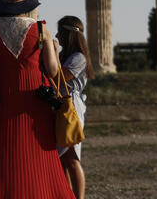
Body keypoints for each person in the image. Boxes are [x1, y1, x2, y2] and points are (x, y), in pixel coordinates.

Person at [0, 0, 75, 199]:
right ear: (27, 3)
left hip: (4, 100)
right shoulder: (40, 29)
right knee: (40, 156)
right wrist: (55, 51)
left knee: (3, 155)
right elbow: (54, 70)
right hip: (36, 101)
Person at [54, 15, 94, 199]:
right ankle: (66, 195)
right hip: (60, 106)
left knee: (71, 158)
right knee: (61, 158)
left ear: (68, 34)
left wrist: (51, 53)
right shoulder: (64, 56)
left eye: (60, 31)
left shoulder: (79, 58)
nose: (57, 35)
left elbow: (60, 76)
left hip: (71, 108)